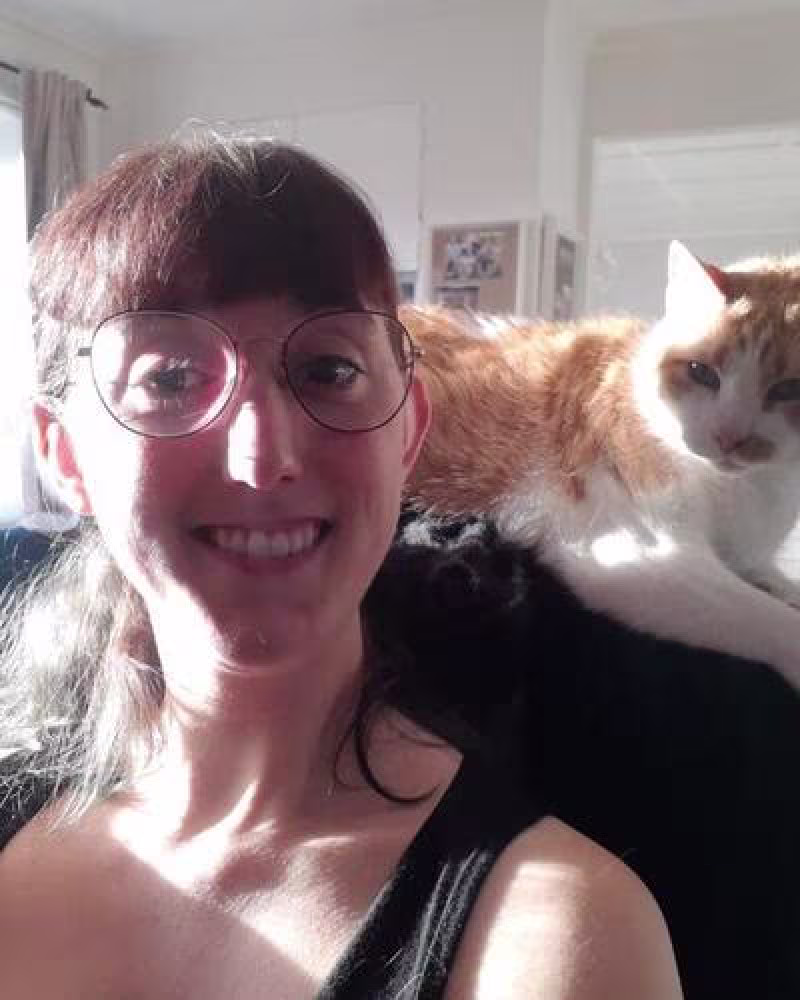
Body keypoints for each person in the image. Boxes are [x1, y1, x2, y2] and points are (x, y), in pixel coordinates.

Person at [0, 136, 682, 999]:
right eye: (170, 378)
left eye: (328, 369)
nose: (262, 459)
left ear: (408, 428)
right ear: (63, 453)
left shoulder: (558, 940)